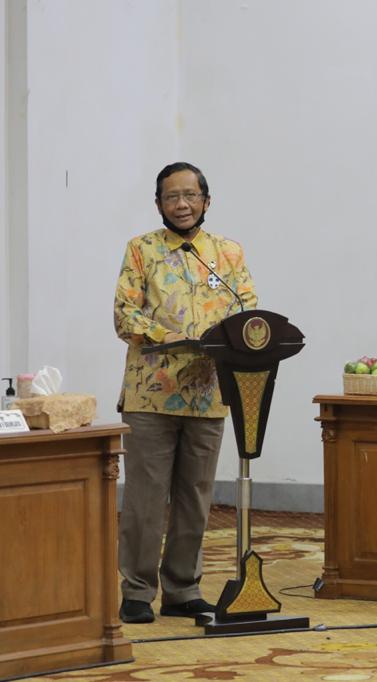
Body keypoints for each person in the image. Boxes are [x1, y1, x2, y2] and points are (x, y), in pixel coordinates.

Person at [114, 162, 258, 623]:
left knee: (195, 496)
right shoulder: (142, 251)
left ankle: (182, 588)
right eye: (171, 197)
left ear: (206, 201)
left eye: (190, 196)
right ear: (158, 204)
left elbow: (249, 310)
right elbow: (125, 315)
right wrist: (170, 338)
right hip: (151, 394)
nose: (181, 204)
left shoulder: (228, 253)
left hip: (208, 393)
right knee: (145, 498)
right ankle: (137, 591)